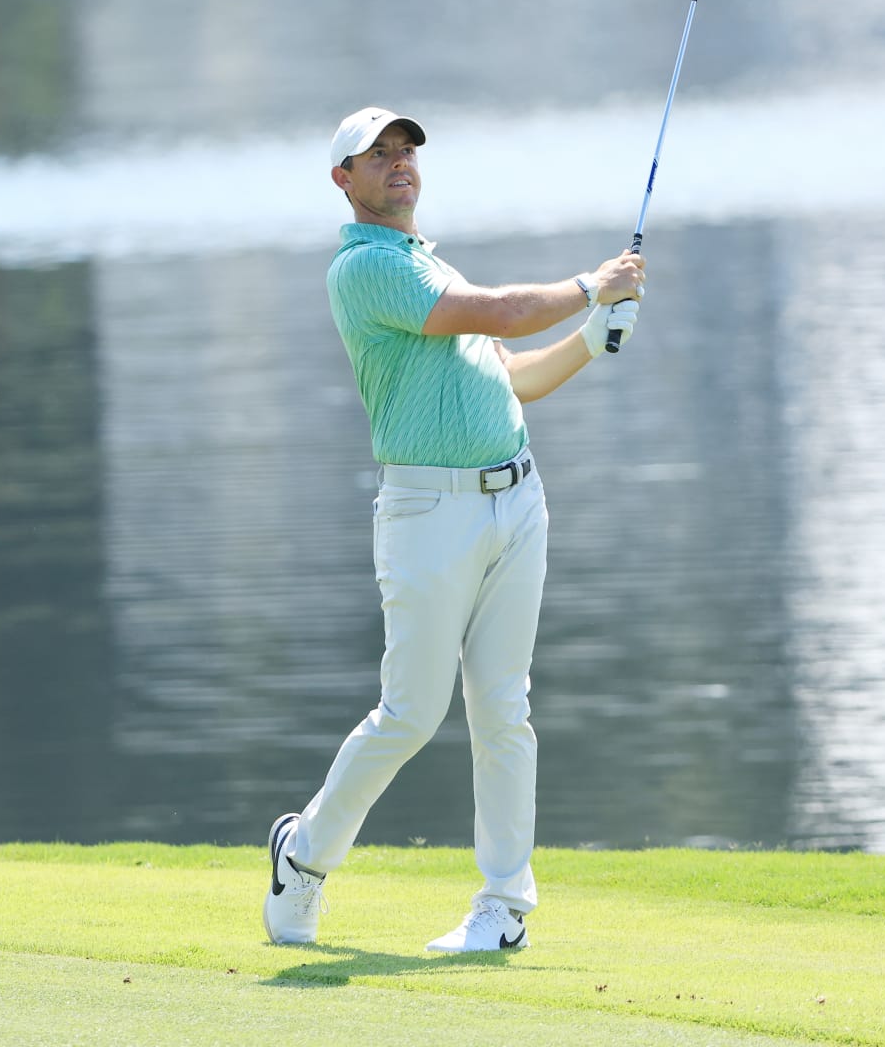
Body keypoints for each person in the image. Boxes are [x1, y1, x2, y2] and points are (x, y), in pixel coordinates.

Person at [262, 107, 645, 953]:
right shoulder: (365, 268)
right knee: (411, 712)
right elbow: (500, 313)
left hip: (518, 498)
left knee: (504, 709)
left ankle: (503, 908)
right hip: (428, 512)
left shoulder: (426, 261)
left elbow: (514, 376)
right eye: (378, 155)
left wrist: (590, 338)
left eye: (406, 151)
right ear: (344, 180)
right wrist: (592, 286)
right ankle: (305, 857)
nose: (399, 163)